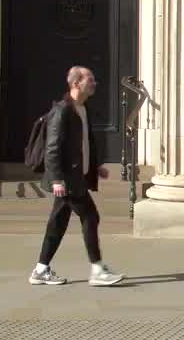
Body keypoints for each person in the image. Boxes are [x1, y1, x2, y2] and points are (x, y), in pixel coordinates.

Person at [29, 66, 124, 286]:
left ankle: (41, 269)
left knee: (58, 223)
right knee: (90, 216)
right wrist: (56, 180)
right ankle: (97, 269)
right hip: (67, 179)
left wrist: (95, 166)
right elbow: (52, 149)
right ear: (75, 83)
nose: (94, 83)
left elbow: (85, 142)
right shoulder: (62, 111)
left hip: (76, 175)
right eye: (89, 80)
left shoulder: (83, 108)